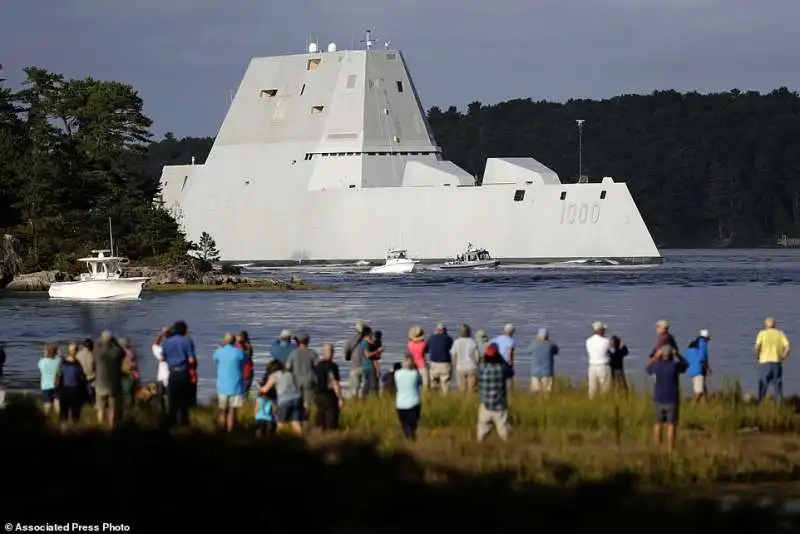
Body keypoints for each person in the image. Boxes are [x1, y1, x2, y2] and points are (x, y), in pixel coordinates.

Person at [646, 345, 688, 451]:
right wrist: (678, 354)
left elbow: (647, 368)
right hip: (672, 399)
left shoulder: (656, 366)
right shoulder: (674, 366)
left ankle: (657, 447)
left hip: (658, 398)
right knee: (671, 425)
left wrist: (655, 357)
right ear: (671, 355)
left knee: (658, 423)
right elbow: (686, 364)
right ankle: (671, 449)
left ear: (662, 355)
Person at [161, 320, 197, 426]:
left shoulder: (166, 342)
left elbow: (163, 358)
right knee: (183, 403)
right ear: (184, 330)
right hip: (183, 373)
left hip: (172, 373)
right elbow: (191, 360)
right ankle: (184, 425)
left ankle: (171, 425)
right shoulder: (187, 341)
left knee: (172, 401)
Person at [477, 343, 511, 441]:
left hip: (485, 405)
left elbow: (478, 369)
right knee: (504, 432)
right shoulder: (502, 369)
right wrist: (501, 358)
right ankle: (508, 449)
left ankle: (480, 449)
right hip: (500, 406)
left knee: (482, 433)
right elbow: (510, 371)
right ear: (497, 356)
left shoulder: (482, 369)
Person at [213, 333, 246, 433]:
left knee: (223, 410)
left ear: (224, 341)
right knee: (232, 410)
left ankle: (221, 431)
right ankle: (230, 432)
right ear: (234, 341)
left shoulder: (218, 352)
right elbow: (245, 361)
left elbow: (215, 361)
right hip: (236, 386)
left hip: (222, 385)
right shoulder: (239, 352)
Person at [261, 359, 304, 435]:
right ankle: (302, 441)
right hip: (297, 398)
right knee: (296, 423)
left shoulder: (274, 375)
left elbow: (265, 390)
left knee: (281, 424)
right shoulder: (290, 373)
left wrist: (258, 387)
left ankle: (278, 442)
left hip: (285, 400)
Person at [94, 331, 125, 429]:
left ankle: (100, 426)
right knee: (112, 408)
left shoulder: (98, 353)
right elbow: (123, 352)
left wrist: (100, 341)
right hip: (113, 384)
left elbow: (95, 347)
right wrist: (115, 342)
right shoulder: (116, 352)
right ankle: (112, 427)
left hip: (100, 384)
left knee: (100, 407)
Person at [754, 317, 790, 403]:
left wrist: (757, 356)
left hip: (764, 362)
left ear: (765, 325)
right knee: (777, 386)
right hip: (776, 362)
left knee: (763, 385)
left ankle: (761, 405)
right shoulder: (780, 334)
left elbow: (757, 347)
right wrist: (783, 357)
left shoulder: (762, 334)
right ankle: (779, 406)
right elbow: (788, 347)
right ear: (775, 325)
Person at [285, 332, 319, 414]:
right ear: (308, 341)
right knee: (307, 403)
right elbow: (317, 367)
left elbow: (288, 367)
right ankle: (306, 419)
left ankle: (298, 418)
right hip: (309, 380)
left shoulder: (294, 353)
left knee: (297, 402)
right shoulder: (312, 353)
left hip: (296, 381)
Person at [312, 343, 343, 431]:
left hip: (317, 396)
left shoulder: (317, 366)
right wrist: (340, 397)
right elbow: (334, 382)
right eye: (331, 351)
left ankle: (318, 435)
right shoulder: (333, 366)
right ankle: (330, 436)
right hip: (328, 395)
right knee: (331, 419)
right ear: (332, 353)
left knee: (321, 417)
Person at [56, 343, 87, 430]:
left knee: (68, 414)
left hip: (69, 391)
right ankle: (70, 431)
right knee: (71, 414)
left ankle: (66, 431)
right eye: (75, 350)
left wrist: (57, 393)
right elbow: (82, 380)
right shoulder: (76, 365)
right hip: (70, 391)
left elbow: (58, 379)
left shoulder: (64, 364)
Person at [394, 355, 422, 440]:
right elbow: (420, 382)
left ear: (403, 364)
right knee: (413, 425)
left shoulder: (397, 374)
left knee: (404, 425)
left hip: (400, 404)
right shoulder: (415, 374)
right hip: (413, 403)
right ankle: (412, 438)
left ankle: (408, 438)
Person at [684, 329, 711, 403]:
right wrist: (708, 368)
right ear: (706, 338)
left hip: (691, 370)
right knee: (699, 392)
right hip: (699, 370)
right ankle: (692, 408)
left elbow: (685, 358)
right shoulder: (703, 344)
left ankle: (705, 408)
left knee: (703, 390)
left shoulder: (691, 345)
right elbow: (702, 358)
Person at [585, 322, 611, 398]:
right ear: (600, 330)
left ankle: (592, 404)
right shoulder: (606, 341)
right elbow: (611, 351)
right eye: (603, 329)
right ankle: (604, 404)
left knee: (592, 389)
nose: (605, 331)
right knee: (605, 389)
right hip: (603, 366)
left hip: (592, 366)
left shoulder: (588, 341)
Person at [451, 324, 480, 392]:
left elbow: (454, 356)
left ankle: (463, 402)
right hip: (471, 367)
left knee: (462, 390)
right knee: (472, 390)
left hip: (460, 367)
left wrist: (455, 365)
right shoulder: (473, 342)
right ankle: (471, 402)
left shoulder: (456, 342)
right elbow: (477, 358)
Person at [530, 328, 559, 394]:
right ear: (547, 336)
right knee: (547, 393)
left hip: (535, 372)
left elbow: (528, 351)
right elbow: (556, 351)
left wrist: (536, 340)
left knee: (536, 393)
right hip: (547, 372)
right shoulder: (551, 345)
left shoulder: (534, 344)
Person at [427, 323, 454, 394]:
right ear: (444, 330)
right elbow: (451, 348)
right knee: (445, 386)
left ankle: (434, 401)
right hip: (445, 364)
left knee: (433, 385)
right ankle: (444, 402)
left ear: (436, 330)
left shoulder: (431, 337)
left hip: (434, 364)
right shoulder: (448, 338)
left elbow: (427, 349)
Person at [344, 322, 367, 397]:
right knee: (366, 393)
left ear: (356, 330)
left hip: (354, 368)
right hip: (366, 368)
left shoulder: (351, 340)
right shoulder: (368, 340)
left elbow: (346, 353)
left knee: (354, 392)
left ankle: (355, 406)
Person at [38, 343, 61, 415]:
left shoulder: (41, 361)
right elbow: (60, 357)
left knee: (47, 403)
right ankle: (60, 418)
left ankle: (46, 417)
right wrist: (58, 353)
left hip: (45, 385)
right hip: (56, 384)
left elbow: (40, 369)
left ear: (46, 352)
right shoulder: (58, 360)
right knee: (57, 401)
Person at [152, 327, 170, 417]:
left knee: (161, 400)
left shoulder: (161, 352)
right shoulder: (176, 352)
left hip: (161, 380)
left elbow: (155, 345)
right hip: (172, 379)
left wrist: (161, 333)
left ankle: (162, 417)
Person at [491, 324, 516, 390]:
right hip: (506, 364)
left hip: (497, 363)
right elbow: (510, 353)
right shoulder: (511, 341)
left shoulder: (496, 339)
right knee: (509, 383)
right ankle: (510, 397)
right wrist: (511, 365)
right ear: (512, 332)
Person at [118, 337, 139, 408]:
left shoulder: (121, 353)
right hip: (135, 376)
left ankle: (129, 408)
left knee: (127, 393)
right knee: (133, 393)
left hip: (127, 376)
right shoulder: (131, 351)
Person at [360, 329, 381, 396]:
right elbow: (368, 355)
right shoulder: (365, 343)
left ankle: (364, 400)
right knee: (373, 385)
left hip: (364, 366)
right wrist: (378, 351)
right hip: (369, 366)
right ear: (368, 334)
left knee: (367, 384)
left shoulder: (362, 342)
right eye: (371, 334)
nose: (372, 335)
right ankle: (373, 400)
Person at [76, 338, 95, 404]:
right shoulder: (92, 355)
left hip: (81, 377)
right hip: (90, 377)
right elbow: (93, 368)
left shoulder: (78, 354)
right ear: (91, 346)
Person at [236, 331, 255, 397]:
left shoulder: (238, 346)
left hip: (242, 373)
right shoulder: (247, 346)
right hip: (247, 372)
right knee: (245, 393)